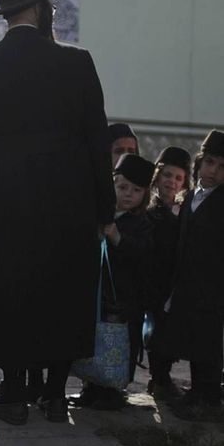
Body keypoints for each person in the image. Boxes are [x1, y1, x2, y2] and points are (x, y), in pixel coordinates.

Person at [0, 0, 116, 425]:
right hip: (70, 190)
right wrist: (106, 210)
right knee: (63, 285)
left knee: (9, 286)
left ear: (6, 15)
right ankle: (55, 392)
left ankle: (11, 389)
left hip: (5, 189)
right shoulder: (78, 62)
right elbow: (97, 143)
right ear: (42, 9)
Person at [70, 154, 154, 411]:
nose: (129, 194)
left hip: (125, 299)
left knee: (119, 343)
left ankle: (113, 390)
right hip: (97, 294)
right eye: (123, 187)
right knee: (95, 340)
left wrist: (118, 238)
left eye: (136, 190)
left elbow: (143, 254)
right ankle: (90, 386)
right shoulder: (101, 215)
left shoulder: (141, 223)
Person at [164, 130, 224, 422]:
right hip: (188, 282)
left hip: (213, 285)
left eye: (223, 167)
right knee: (192, 338)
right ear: (200, 162)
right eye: (210, 162)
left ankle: (209, 396)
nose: (214, 171)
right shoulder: (189, 197)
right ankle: (197, 392)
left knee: (209, 343)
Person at [143, 146, 192, 398]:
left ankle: (162, 379)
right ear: (158, 177)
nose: (171, 182)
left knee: (170, 332)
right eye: (167, 175)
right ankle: (159, 379)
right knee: (157, 333)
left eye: (178, 178)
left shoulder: (185, 213)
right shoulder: (150, 212)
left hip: (175, 282)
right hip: (156, 282)